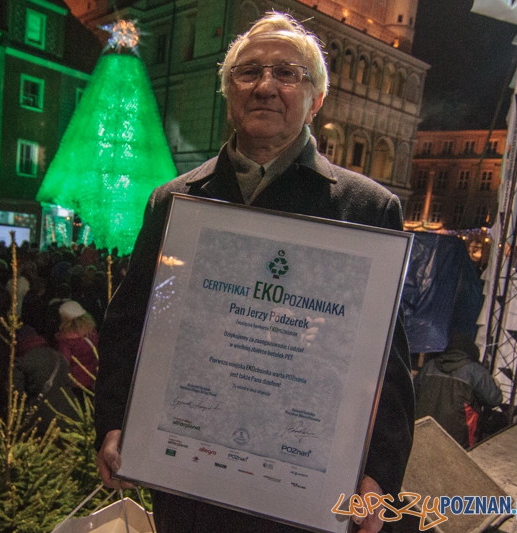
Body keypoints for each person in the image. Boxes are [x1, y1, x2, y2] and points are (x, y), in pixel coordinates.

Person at [94, 12, 414, 533]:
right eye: (248, 72)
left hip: (301, 496)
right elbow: (130, 324)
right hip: (189, 483)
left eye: (287, 73)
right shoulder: (174, 202)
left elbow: (386, 366)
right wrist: (113, 422)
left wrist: (378, 475)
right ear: (229, 93)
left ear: (316, 98)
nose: (265, 86)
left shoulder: (366, 209)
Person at [415, 334, 502, 448]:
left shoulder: (429, 366)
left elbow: (413, 393)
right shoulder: (475, 371)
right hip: (458, 438)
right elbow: (494, 399)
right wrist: (494, 383)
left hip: (424, 430)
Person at [55, 301, 99, 393]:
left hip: (74, 382)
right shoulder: (91, 332)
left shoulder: (66, 340)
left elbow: (65, 362)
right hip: (92, 377)